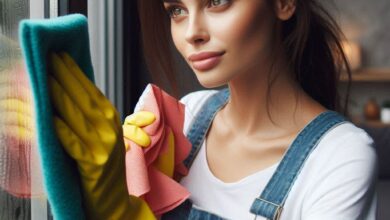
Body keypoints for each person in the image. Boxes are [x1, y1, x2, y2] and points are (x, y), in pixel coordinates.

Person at [135, 0, 378, 219]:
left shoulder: (339, 157)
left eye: (216, 2)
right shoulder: (188, 114)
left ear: (283, 4)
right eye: (177, 11)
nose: (192, 33)